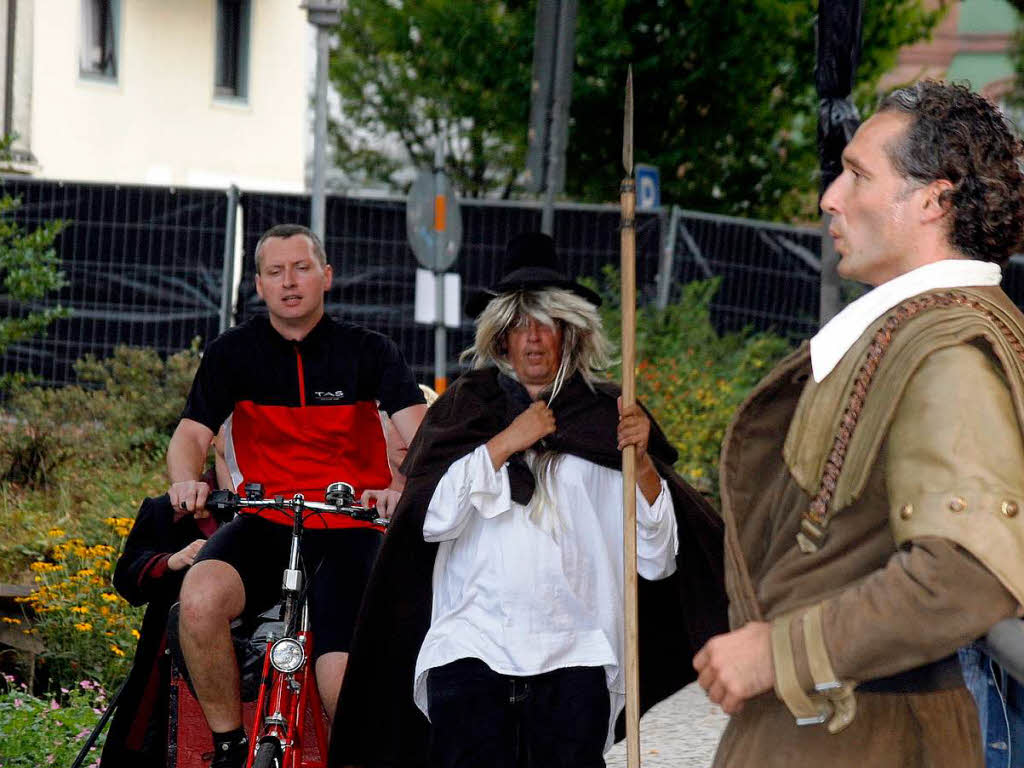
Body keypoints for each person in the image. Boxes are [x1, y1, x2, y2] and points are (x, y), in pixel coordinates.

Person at [693, 80, 1024, 768]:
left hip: (863, 735)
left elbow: (965, 573)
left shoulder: (947, 349)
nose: (830, 199)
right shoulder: (912, 334)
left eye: (857, 174)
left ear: (937, 198)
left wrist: (776, 654)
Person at [329, 232, 728, 767]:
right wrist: (506, 442)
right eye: (519, 326)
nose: (533, 339)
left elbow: (655, 560)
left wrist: (645, 463)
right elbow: (432, 517)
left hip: (578, 648)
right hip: (471, 644)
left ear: (570, 334)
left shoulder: (608, 415)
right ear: (500, 340)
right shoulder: (466, 409)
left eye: (545, 324)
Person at [168, 224, 427, 768]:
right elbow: (191, 434)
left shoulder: (371, 352)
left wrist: (400, 488)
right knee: (198, 599)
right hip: (266, 522)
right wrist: (186, 480)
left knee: (339, 679)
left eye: (302, 268)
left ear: (326, 276)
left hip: (352, 528)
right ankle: (228, 744)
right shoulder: (230, 354)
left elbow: (425, 435)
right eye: (275, 272)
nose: (290, 282)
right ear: (258, 285)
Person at [99, 449, 230, 767]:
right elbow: (127, 580)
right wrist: (174, 560)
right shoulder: (164, 510)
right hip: (163, 672)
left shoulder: (279, 512)